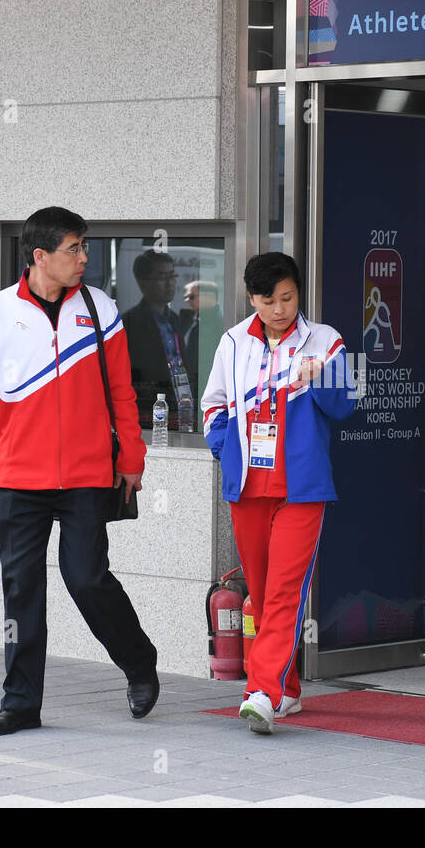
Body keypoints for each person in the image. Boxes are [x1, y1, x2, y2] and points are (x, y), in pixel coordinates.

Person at [0, 206, 159, 736]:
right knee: (21, 590)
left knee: (87, 578)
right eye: (73, 249)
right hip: (20, 478)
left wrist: (132, 459)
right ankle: (21, 702)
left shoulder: (100, 309)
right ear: (39, 256)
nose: (83, 258)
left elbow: (122, 391)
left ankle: (139, 662)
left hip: (88, 476)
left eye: (84, 247)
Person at [201, 252, 356, 734]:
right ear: (252, 298)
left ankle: (261, 690)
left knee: (287, 592)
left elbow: (349, 402)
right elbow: (215, 404)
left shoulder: (325, 340)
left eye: (287, 298)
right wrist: (224, 448)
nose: (278, 309)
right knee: (264, 596)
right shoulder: (231, 342)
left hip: (302, 488)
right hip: (246, 485)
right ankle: (286, 689)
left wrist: (322, 378)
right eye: (268, 300)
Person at [122, 250, 190, 428]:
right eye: (162, 277)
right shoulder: (130, 321)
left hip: (178, 404)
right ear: (142, 283)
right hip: (146, 411)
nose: (170, 284)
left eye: (172, 276)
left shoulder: (174, 319)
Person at [182, 279, 221, 398]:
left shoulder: (218, 323)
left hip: (206, 386)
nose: (187, 300)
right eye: (186, 296)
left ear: (209, 297)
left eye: (191, 296)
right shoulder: (191, 319)